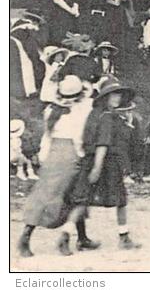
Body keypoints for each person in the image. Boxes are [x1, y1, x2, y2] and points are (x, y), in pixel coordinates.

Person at [17, 76, 94, 258]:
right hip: (70, 154)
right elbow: (78, 137)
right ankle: (67, 239)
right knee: (76, 195)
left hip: (52, 154)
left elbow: (47, 136)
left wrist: (44, 159)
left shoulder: (51, 110)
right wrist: (82, 155)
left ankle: (26, 237)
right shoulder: (79, 111)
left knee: (44, 195)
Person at [62, 78, 141, 254]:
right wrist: (97, 167)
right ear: (105, 97)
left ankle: (65, 235)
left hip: (89, 160)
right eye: (113, 94)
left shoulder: (93, 114)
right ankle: (124, 237)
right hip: (106, 162)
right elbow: (103, 143)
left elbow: (86, 139)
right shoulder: (107, 116)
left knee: (83, 201)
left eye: (119, 94)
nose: (117, 98)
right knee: (120, 199)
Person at [11, 13, 45, 98]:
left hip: (13, 47)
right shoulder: (29, 28)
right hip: (21, 49)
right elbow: (33, 50)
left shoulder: (17, 26)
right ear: (34, 21)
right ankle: (30, 91)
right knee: (27, 68)